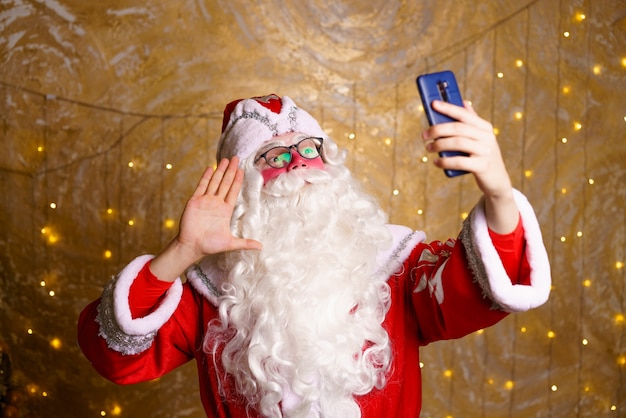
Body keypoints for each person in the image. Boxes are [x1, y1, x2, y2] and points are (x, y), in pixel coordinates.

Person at [77, 93, 551, 417]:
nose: (299, 162)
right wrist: (182, 253)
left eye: (309, 148)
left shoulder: (394, 265)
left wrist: (499, 193)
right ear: (243, 187)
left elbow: (482, 287)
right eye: (276, 156)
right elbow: (114, 355)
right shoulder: (212, 289)